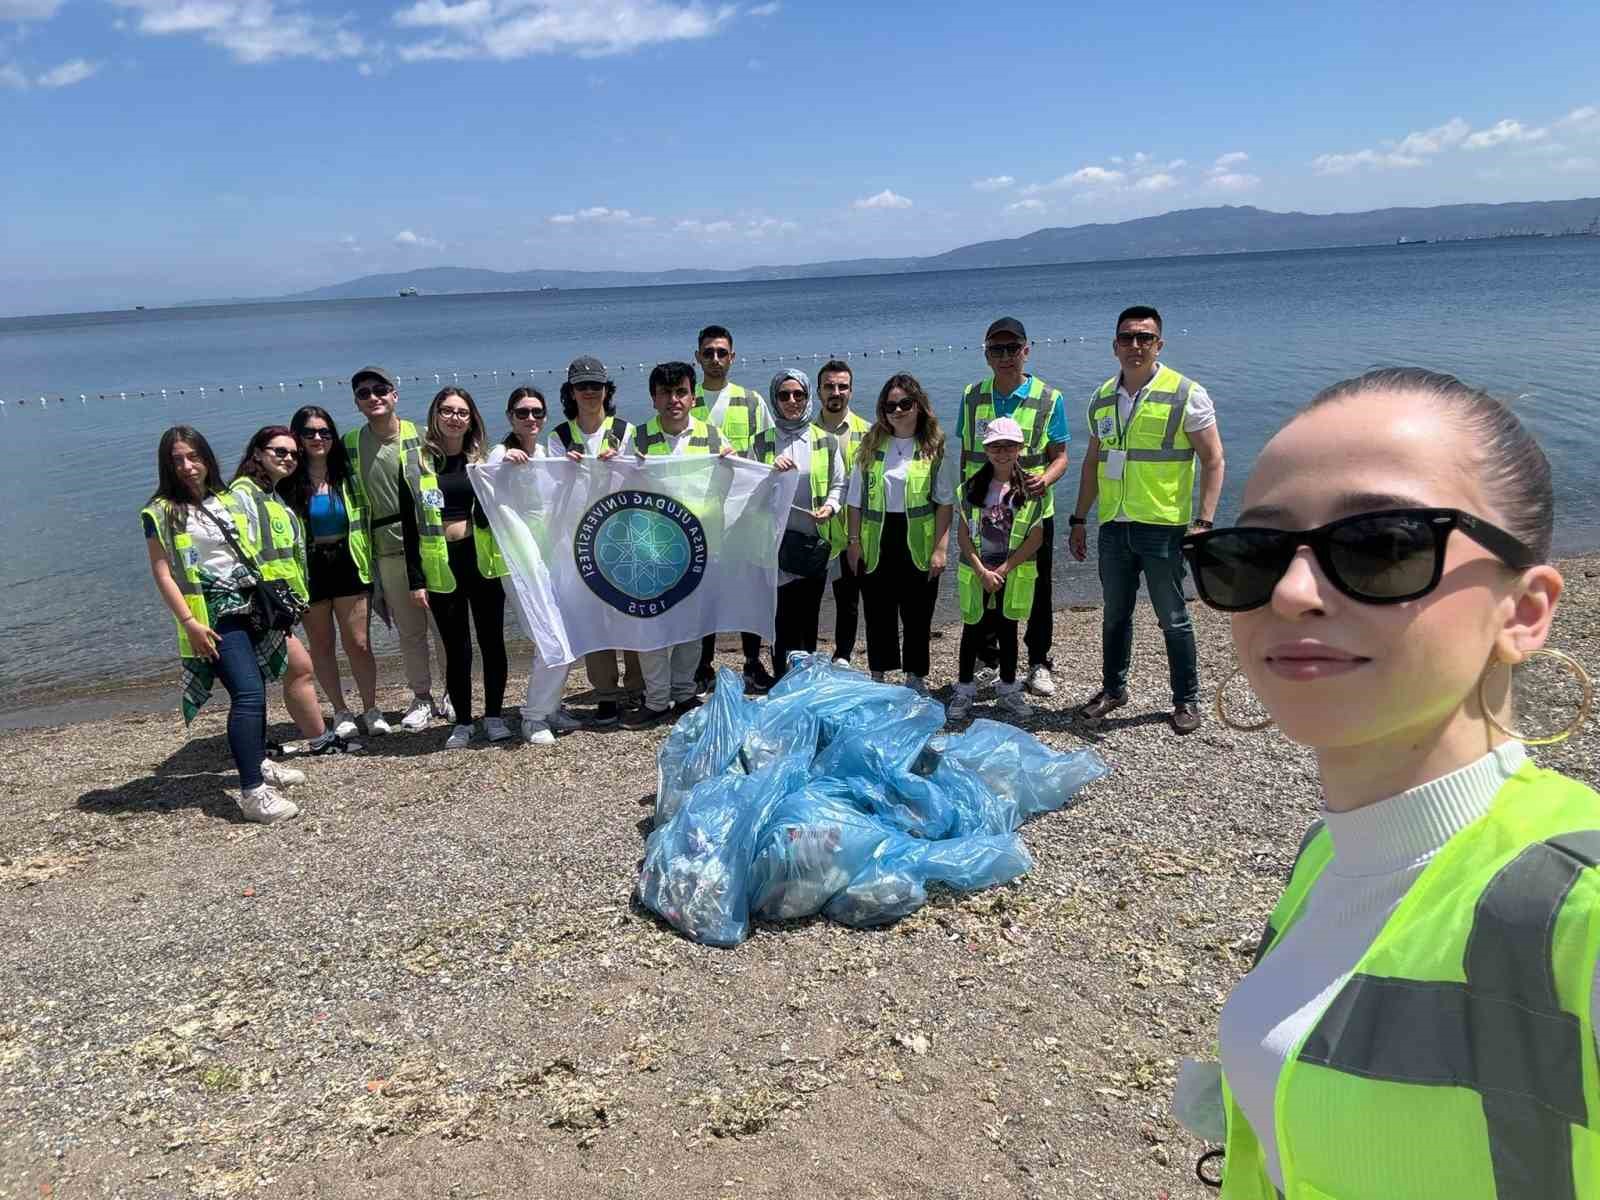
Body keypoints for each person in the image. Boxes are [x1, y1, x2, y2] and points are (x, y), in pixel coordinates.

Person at [1180, 367, 1599, 1198]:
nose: (1294, 593)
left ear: (1524, 610)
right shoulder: (1327, 859)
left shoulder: (1576, 909)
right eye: (1254, 554)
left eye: (1382, 546)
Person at [1068, 305, 1225, 734]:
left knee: (1172, 617)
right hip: (1114, 525)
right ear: (1114, 344)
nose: (1135, 346)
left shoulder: (1185, 393)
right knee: (1115, 614)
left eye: (1145, 338)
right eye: (1127, 338)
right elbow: (1092, 463)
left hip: (1163, 526)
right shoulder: (1101, 397)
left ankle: (1185, 700)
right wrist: (1079, 518)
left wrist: (1205, 521)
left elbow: (1213, 459)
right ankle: (1114, 689)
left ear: (1159, 344)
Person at [141, 428, 295, 824]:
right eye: (177, 460)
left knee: (256, 688)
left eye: (194, 456)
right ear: (166, 466)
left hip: (247, 604)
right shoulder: (159, 513)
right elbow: (163, 574)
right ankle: (252, 794)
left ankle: (259, 763)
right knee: (246, 694)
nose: (188, 467)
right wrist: (190, 622)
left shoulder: (226, 499)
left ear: (207, 457)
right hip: (209, 616)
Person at [956, 317, 1071, 697]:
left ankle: (1038, 661)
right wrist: (962, 502)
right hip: (984, 511)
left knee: (1036, 588)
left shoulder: (1049, 398)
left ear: (1026, 350)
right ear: (987, 354)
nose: (1005, 357)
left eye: (1012, 348)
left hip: (1030, 513)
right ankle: (988, 659)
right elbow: (966, 453)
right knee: (984, 582)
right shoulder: (972, 395)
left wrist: (1047, 479)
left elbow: (1061, 456)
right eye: (996, 349)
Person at [229, 426, 356, 757]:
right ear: (257, 453)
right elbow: (235, 548)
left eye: (293, 454)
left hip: (279, 602)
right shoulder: (244, 494)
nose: (288, 458)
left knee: (263, 675)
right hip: (258, 602)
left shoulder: (270, 492)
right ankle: (318, 739)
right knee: (297, 668)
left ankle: (261, 744)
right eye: (279, 451)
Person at [343, 365, 451, 732]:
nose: (373, 397)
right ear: (357, 402)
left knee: (445, 625)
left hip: (429, 545)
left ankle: (453, 691)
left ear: (394, 395)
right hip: (386, 551)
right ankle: (422, 696)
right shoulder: (350, 444)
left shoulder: (422, 437)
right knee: (409, 631)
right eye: (364, 393)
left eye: (380, 390)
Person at [402, 387, 512, 749]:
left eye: (462, 412)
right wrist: (415, 580)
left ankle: (493, 716)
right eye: (447, 411)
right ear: (435, 415)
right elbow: (408, 524)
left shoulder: (483, 461)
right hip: (441, 567)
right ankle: (463, 721)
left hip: (482, 562)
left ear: (472, 419)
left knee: (492, 642)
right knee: (456, 647)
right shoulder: (416, 463)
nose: (454, 418)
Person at [629, 361, 734, 726]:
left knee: (692, 626)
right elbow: (617, 487)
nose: (673, 400)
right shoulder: (636, 438)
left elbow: (737, 484)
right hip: (650, 549)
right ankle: (657, 699)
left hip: (699, 548)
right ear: (653, 399)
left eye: (681, 392)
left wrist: (761, 471)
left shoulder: (714, 437)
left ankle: (684, 692)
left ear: (692, 397)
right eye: (665, 393)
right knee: (651, 627)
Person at [485, 382, 585, 745]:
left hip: (552, 559)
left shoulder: (546, 452)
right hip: (519, 563)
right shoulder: (500, 454)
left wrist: (572, 467)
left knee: (568, 633)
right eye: (522, 412)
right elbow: (482, 485)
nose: (530, 418)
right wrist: (498, 468)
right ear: (510, 417)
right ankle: (532, 718)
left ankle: (551, 706)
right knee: (549, 638)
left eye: (537, 412)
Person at [547, 357, 644, 726]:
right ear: (571, 392)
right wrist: (564, 471)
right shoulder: (558, 437)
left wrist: (624, 462)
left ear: (607, 390)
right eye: (582, 386)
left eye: (596, 386)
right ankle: (605, 691)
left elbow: (644, 478)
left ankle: (636, 687)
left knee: (631, 613)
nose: (590, 392)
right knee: (595, 619)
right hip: (582, 541)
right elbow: (548, 491)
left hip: (624, 538)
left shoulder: (626, 430)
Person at [844, 374, 954, 693]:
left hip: (917, 544)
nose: (898, 410)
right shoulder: (871, 444)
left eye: (905, 403)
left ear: (918, 406)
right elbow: (855, 500)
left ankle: (915, 676)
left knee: (918, 615)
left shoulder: (933, 447)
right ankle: (878, 673)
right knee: (877, 612)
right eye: (890, 405)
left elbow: (945, 503)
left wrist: (941, 549)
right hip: (876, 542)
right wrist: (853, 543)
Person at [283, 406, 388, 739]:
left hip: (348, 562)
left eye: (324, 432)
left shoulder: (348, 474)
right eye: (310, 432)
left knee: (358, 643)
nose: (318, 438)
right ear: (297, 437)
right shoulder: (287, 482)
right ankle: (341, 711)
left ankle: (370, 709)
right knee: (322, 645)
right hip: (309, 567)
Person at [691, 324, 776, 693]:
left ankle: (752, 663)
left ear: (732, 357)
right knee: (703, 590)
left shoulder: (752, 401)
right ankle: (701, 666)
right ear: (698, 357)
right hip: (698, 516)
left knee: (747, 588)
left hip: (744, 514)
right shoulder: (685, 400)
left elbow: (768, 452)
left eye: (721, 352)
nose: (714, 359)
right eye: (708, 352)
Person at [749, 368, 845, 681]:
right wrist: (768, 471)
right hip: (776, 546)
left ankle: (807, 679)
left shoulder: (825, 440)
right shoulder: (761, 443)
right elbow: (746, 491)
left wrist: (830, 507)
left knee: (809, 614)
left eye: (798, 394)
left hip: (813, 543)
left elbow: (839, 483)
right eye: (784, 395)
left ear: (807, 397)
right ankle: (781, 678)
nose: (792, 401)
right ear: (774, 398)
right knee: (781, 616)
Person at [948, 417, 1042, 722]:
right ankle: (964, 690)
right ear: (986, 449)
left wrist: (1003, 568)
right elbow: (962, 534)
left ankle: (1008, 691)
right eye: (995, 446)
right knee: (972, 629)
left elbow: (1036, 536)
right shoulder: (970, 487)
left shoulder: (1032, 488)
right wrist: (981, 570)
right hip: (976, 571)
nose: (1002, 452)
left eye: (1009, 446)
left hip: (1011, 572)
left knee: (1008, 629)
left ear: (1019, 449)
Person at [815, 359, 873, 667]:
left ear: (851, 391)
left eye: (842, 386)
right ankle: (804, 653)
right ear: (818, 391)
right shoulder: (805, 433)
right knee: (806, 600)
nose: (835, 392)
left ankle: (843, 654)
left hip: (854, 532)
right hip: (815, 531)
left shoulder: (869, 433)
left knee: (849, 598)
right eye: (829, 386)